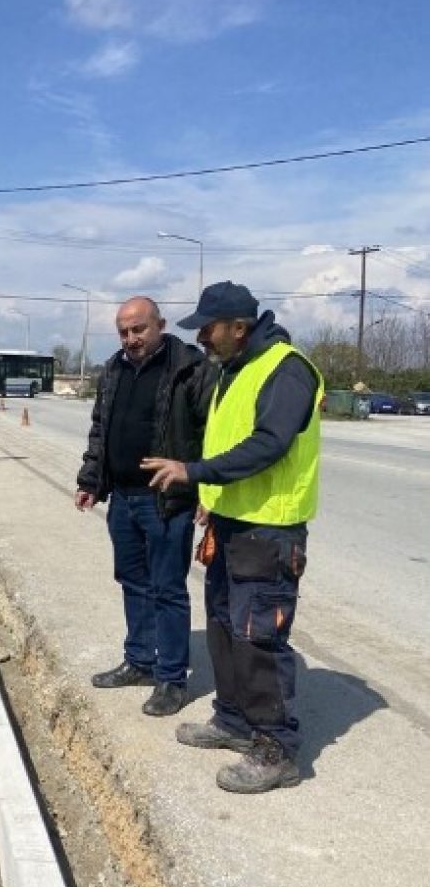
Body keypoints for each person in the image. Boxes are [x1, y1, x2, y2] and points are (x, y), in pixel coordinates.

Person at [142, 281, 323, 794]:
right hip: (230, 524)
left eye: (208, 328)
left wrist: (194, 471)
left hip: (269, 529)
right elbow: (228, 441)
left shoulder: (286, 369)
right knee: (224, 626)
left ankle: (276, 747)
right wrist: (211, 497)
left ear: (238, 328)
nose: (200, 337)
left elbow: (268, 445)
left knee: (258, 636)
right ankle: (235, 721)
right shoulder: (234, 369)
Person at [76, 296, 216, 716]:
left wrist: (206, 488)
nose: (131, 338)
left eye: (139, 329)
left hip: (166, 501)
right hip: (123, 498)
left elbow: (214, 432)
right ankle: (140, 660)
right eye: (124, 331)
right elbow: (100, 428)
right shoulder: (114, 369)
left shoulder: (190, 368)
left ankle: (171, 678)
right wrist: (90, 481)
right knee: (132, 581)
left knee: (168, 588)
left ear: (160, 325)